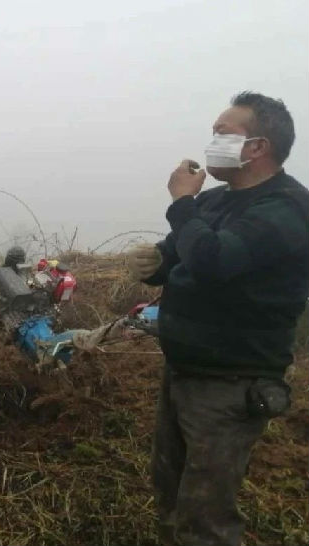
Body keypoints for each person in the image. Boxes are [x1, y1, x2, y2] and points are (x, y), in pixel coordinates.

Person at [127, 92, 309, 546]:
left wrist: (180, 203)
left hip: (231, 383)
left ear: (257, 147)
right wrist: (156, 263)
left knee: (205, 515)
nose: (211, 141)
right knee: (169, 492)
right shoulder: (213, 202)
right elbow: (182, 254)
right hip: (184, 370)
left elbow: (211, 260)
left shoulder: (286, 209)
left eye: (222, 133)